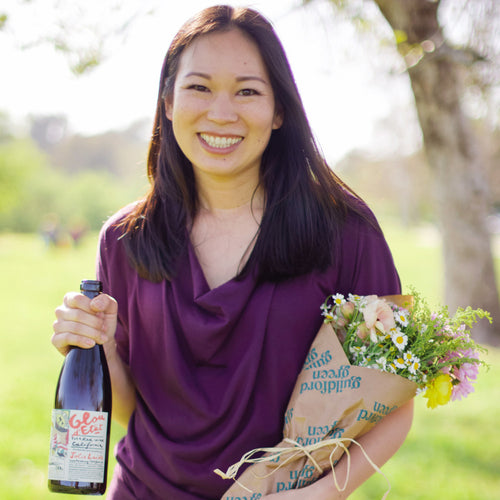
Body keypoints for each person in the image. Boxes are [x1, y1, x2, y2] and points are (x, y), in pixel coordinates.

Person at [52, 5, 413, 499]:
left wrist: (320, 494)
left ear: (279, 110)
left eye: (247, 91)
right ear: (168, 103)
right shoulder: (125, 238)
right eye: (199, 87)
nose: (221, 113)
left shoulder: (345, 231)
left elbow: (394, 399)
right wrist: (98, 348)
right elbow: (134, 410)